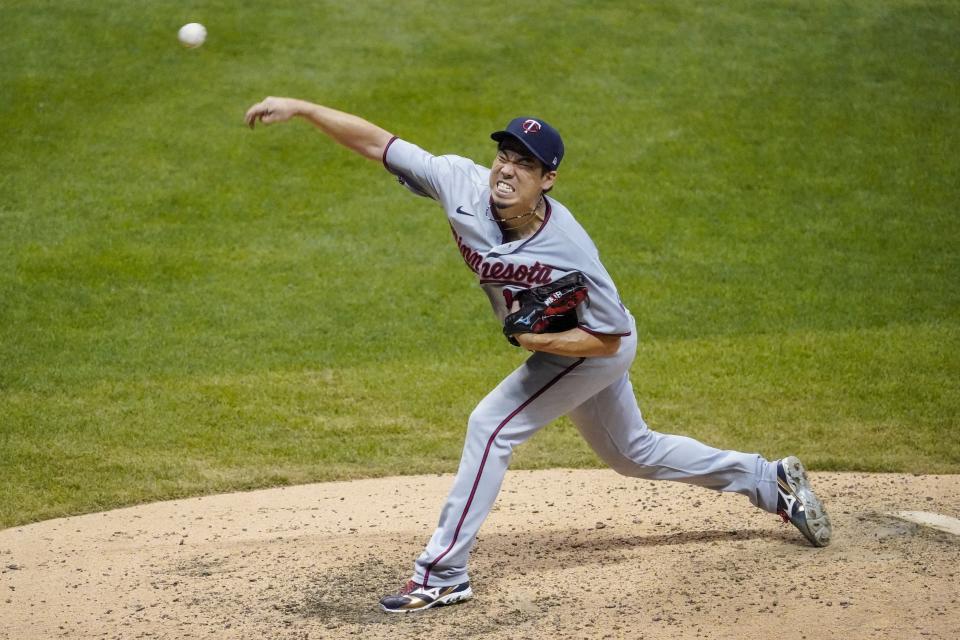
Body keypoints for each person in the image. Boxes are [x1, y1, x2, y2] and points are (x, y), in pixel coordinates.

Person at [243, 97, 833, 613]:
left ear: (547, 179)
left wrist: (538, 341)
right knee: (633, 453)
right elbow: (378, 143)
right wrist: (303, 108)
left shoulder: (570, 247)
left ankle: (442, 574)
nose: (507, 169)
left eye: (524, 163)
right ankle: (769, 479)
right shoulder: (459, 183)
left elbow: (610, 339)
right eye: (505, 155)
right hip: (569, 348)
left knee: (491, 425)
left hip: (593, 349)